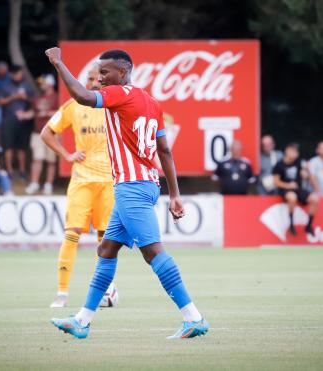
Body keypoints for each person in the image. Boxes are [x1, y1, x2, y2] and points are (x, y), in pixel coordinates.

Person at [46, 47, 208, 339]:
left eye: (104, 73)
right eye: (97, 75)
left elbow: (83, 97)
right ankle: (82, 320)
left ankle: (193, 316)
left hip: (131, 187)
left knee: (152, 251)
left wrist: (58, 63)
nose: (99, 80)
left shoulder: (119, 94)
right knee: (106, 249)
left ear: (122, 72)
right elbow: (165, 150)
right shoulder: (151, 102)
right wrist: (174, 194)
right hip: (145, 185)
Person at [39, 64, 115, 308]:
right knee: (72, 234)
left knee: (106, 241)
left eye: (98, 78)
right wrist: (67, 154)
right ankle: (62, 293)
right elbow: (47, 133)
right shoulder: (73, 106)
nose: (94, 82)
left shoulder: (113, 105)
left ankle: (106, 289)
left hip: (109, 182)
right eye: (90, 78)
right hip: (82, 180)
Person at [21, 74, 59, 195]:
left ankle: (48, 185)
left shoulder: (57, 97)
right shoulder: (38, 98)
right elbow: (34, 112)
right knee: (36, 159)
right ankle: (34, 183)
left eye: (43, 82)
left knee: (51, 161)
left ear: (50, 84)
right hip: (37, 133)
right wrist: (24, 115)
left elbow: (62, 111)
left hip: (52, 133)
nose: (41, 84)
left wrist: (47, 113)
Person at [272, 143, 319, 236]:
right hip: (285, 189)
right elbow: (276, 182)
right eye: (292, 151)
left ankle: (309, 225)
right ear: (287, 151)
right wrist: (288, 185)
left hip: (298, 189)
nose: (294, 153)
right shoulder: (279, 164)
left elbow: (304, 175)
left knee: (315, 198)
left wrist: (307, 170)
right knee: (292, 197)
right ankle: (291, 223)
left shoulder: (298, 162)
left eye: (296, 151)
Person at [0, 65, 34, 178]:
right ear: (12, 74)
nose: (18, 75)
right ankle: (10, 170)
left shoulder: (27, 86)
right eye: (16, 73)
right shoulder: (5, 86)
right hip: (8, 119)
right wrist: (13, 97)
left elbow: (34, 101)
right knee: (8, 146)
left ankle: (22, 170)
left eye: (19, 73)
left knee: (22, 146)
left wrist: (25, 98)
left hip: (23, 121)